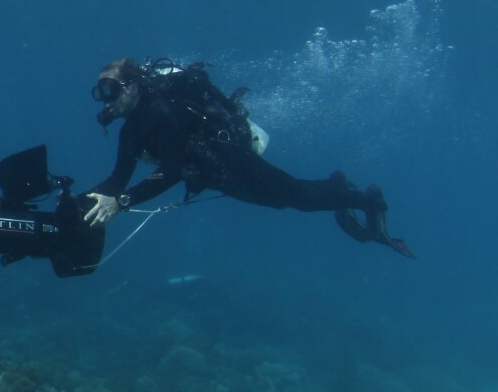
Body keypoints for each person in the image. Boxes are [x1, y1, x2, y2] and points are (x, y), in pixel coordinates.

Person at [82, 57, 414, 258]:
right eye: (100, 94)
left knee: (299, 198)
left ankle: (370, 201)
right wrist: (86, 201)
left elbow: (170, 172)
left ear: (133, 86)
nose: (105, 101)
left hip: (233, 163)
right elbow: (117, 178)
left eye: (110, 90)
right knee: (291, 196)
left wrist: (121, 202)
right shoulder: (131, 130)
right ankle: (338, 185)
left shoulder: (161, 114)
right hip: (217, 175)